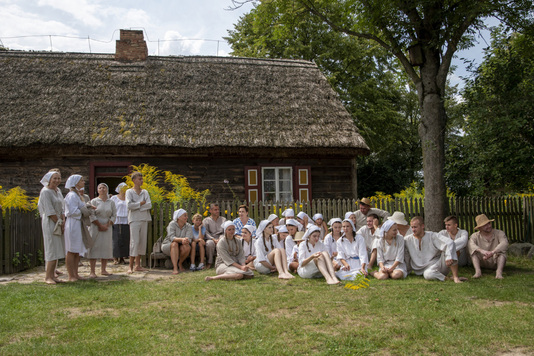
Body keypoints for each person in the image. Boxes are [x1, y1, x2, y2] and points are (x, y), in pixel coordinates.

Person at [404, 216, 463, 283]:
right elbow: (404, 255)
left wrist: (449, 256)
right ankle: (448, 278)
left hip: (437, 265)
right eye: (412, 227)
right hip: (421, 269)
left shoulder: (432, 236)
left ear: (422, 226)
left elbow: (450, 242)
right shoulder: (407, 240)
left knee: (450, 248)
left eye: (415, 227)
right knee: (428, 274)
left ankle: (455, 277)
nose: (413, 229)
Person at [38, 171, 66, 284]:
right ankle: (48, 277)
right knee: (51, 248)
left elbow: (62, 207)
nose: (57, 180)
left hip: (59, 221)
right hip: (50, 222)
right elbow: (49, 210)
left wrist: (63, 220)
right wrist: (58, 221)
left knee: (57, 248)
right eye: (55, 178)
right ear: (49, 179)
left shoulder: (58, 191)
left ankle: (53, 275)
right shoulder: (45, 192)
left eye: (59, 178)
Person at [64, 174, 92, 282]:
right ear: (75, 183)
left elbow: (80, 207)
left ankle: (76, 273)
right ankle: (71, 275)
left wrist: (86, 208)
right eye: (81, 180)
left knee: (76, 250)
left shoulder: (76, 195)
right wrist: (84, 211)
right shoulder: (71, 195)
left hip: (78, 223)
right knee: (71, 250)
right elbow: (71, 212)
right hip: (73, 224)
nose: (83, 182)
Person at [87, 183, 116, 278]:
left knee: (105, 247)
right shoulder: (94, 201)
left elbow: (114, 214)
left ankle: (103, 270)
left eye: (104, 187)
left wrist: (107, 224)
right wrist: (99, 225)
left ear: (107, 189)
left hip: (107, 226)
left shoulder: (111, 202)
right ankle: (92, 271)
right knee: (94, 247)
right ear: (97, 190)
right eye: (100, 188)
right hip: (96, 226)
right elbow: (91, 214)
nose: (102, 189)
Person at [468, 214, 509, 279]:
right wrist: (482, 251)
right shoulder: (475, 236)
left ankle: (499, 272)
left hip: (495, 259)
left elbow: (504, 243)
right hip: (482, 259)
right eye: (485, 225)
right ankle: (478, 272)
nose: (488, 226)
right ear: (479, 228)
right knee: (474, 253)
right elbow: (471, 245)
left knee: (502, 254)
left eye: (489, 223)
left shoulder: (499, 233)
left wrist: (492, 252)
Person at [126, 171, 152, 274]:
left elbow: (149, 205)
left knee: (142, 242)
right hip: (134, 219)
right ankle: (130, 266)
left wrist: (137, 206)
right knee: (134, 242)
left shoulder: (145, 192)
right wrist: (140, 204)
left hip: (144, 218)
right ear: (134, 180)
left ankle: (138, 265)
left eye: (142, 179)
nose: (141, 180)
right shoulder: (129, 192)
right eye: (139, 179)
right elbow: (129, 205)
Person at [161, 209, 193, 274]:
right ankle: (175, 268)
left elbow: (189, 238)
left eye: (186, 215)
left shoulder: (188, 226)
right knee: (174, 244)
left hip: (181, 245)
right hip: (168, 245)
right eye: (185, 215)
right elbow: (171, 237)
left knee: (187, 247)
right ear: (179, 217)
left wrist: (186, 241)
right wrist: (181, 240)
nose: (187, 217)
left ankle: (180, 263)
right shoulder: (172, 224)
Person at [110, 182, 130, 265]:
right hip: (116, 220)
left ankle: (122, 258)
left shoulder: (128, 198)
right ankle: (115, 257)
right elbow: (110, 208)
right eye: (123, 188)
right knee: (116, 239)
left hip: (126, 220)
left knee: (125, 239)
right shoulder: (114, 198)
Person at [202, 203, 225, 269]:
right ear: (210, 211)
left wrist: (220, 238)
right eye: (215, 210)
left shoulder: (223, 219)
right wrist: (213, 239)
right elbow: (205, 232)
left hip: (221, 237)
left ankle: (222, 262)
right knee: (209, 244)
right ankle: (209, 262)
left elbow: (225, 231)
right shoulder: (206, 220)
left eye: (218, 209)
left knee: (223, 242)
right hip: (211, 238)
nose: (217, 211)